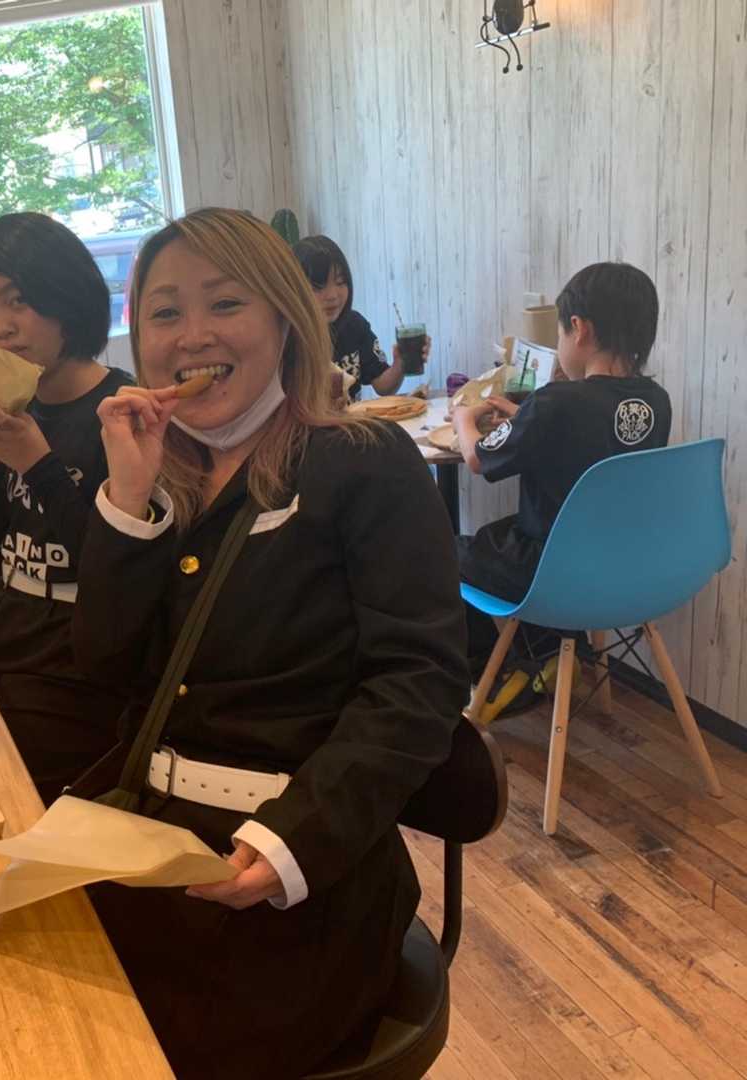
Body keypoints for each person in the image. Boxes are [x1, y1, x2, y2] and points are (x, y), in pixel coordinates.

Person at [73, 208, 468, 1078]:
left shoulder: (361, 460)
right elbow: (102, 665)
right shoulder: (161, 473)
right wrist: (126, 498)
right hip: (151, 845)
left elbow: (419, 680)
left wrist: (293, 843)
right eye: (165, 312)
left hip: (301, 872)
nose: (193, 335)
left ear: (286, 319)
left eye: (226, 304)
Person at [0, 213, 133, 803]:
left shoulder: (123, 413)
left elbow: (113, 576)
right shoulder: (13, 409)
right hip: (2, 652)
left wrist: (38, 465)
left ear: (64, 297)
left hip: (79, 681)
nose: (0, 327)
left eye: (17, 301)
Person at [453, 262, 671, 678]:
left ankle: (496, 671)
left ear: (579, 329)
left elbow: (477, 458)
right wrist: (525, 417)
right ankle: (546, 658)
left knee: (444, 551)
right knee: (498, 539)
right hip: (628, 564)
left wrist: (463, 417)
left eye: (559, 336)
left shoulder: (556, 402)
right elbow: (592, 436)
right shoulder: (657, 402)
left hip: (552, 572)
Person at [292, 234, 428, 399]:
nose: (332, 295)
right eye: (318, 287)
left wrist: (400, 364)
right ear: (295, 289)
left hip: (353, 416)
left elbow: (383, 386)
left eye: (340, 282)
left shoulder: (354, 325)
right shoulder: (287, 338)